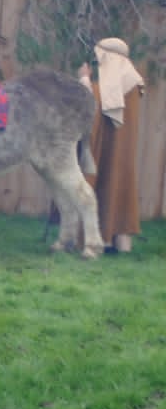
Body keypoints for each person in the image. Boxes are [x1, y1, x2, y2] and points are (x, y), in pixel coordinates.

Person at [85, 38, 146, 256]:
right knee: (118, 189)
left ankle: (105, 241)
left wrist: (84, 79)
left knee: (108, 185)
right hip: (120, 148)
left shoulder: (120, 79)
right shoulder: (132, 79)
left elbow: (99, 101)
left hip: (112, 146)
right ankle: (118, 243)